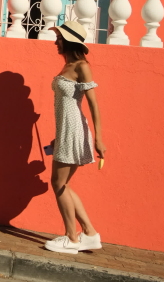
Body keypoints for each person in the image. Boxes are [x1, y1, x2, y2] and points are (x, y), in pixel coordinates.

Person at [43, 20, 106, 254]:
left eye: (59, 38)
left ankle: (72, 238)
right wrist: (57, 137)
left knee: (58, 183)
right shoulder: (66, 67)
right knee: (62, 184)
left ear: (69, 41)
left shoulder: (81, 66)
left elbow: (93, 104)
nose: (56, 41)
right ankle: (89, 233)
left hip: (75, 130)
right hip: (65, 131)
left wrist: (99, 138)